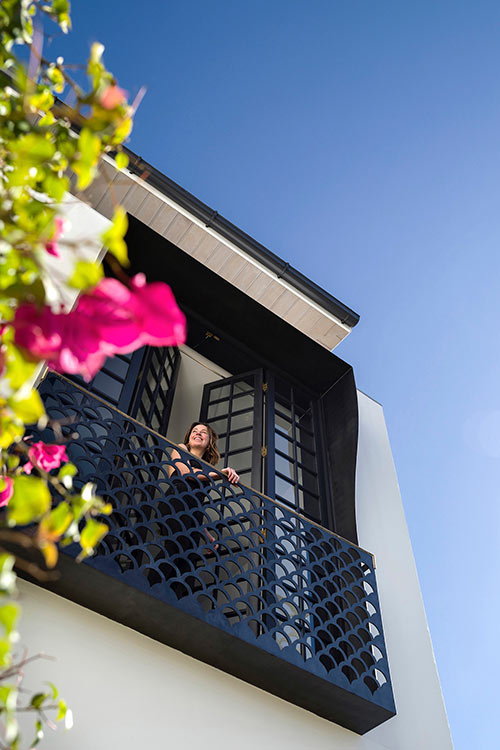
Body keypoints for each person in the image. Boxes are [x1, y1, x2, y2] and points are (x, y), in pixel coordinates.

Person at [168, 422, 239, 484]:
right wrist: (219, 474)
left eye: (203, 432)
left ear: (209, 442)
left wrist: (228, 474)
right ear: (189, 438)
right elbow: (185, 473)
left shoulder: (207, 469)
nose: (198, 433)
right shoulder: (180, 447)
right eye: (194, 431)